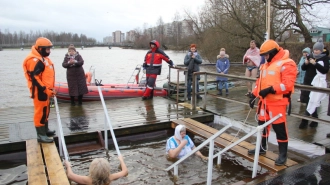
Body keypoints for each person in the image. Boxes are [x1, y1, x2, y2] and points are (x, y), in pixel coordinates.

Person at [248, 39, 297, 166]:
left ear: (273, 52)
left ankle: (283, 154)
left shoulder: (287, 64)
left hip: (277, 103)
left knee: (279, 128)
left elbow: (287, 85)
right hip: (264, 102)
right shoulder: (265, 65)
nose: (265, 57)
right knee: (261, 126)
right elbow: (259, 83)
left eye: (266, 55)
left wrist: (271, 89)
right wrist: (254, 95)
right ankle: (262, 148)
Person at [22, 37, 56, 143]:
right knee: (40, 112)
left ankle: (45, 130)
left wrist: (50, 88)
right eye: (47, 49)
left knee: (46, 110)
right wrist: (45, 89)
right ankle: (41, 135)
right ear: (40, 49)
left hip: (46, 90)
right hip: (39, 91)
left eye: (49, 49)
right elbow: (34, 78)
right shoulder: (34, 60)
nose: (49, 51)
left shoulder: (42, 58)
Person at [299, 39, 329, 129]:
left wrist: (315, 64)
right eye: (315, 49)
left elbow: (325, 70)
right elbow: (303, 68)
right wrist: (306, 63)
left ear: (321, 50)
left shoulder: (324, 58)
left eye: (317, 50)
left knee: (312, 101)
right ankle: (315, 119)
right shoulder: (310, 56)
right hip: (308, 81)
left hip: (317, 83)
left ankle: (304, 121)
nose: (315, 51)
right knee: (309, 101)